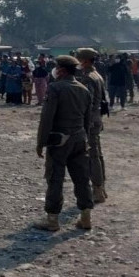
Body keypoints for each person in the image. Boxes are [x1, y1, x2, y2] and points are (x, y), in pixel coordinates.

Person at [34, 55, 94, 231]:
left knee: (55, 178)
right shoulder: (84, 89)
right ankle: (85, 217)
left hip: (59, 141)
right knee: (82, 178)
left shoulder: (55, 88)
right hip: (80, 140)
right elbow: (87, 119)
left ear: (62, 70)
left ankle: (52, 220)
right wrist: (86, 140)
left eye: (57, 67)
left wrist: (40, 142)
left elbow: (47, 118)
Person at [77, 48, 108, 203]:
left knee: (92, 155)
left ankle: (97, 190)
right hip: (97, 118)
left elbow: (86, 102)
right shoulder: (97, 75)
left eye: (79, 58)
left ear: (86, 60)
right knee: (98, 153)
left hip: (89, 119)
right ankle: (101, 186)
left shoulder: (88, 78)